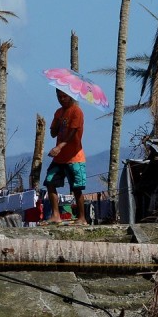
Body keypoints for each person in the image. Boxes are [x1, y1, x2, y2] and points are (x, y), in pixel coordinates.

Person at [43, 88, 88, 223]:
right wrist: (56, 122)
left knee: (77, 188)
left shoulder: (76, 111)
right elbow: (53, 133)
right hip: (60, 158)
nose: (62, 99)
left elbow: (73, 133)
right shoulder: (59, 112)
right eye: (59, 97)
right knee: (50, 182)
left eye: (64, 96)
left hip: (74, 157)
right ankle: (56, 215)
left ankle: (82, 217)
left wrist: (59, 147)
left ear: (70, 96)